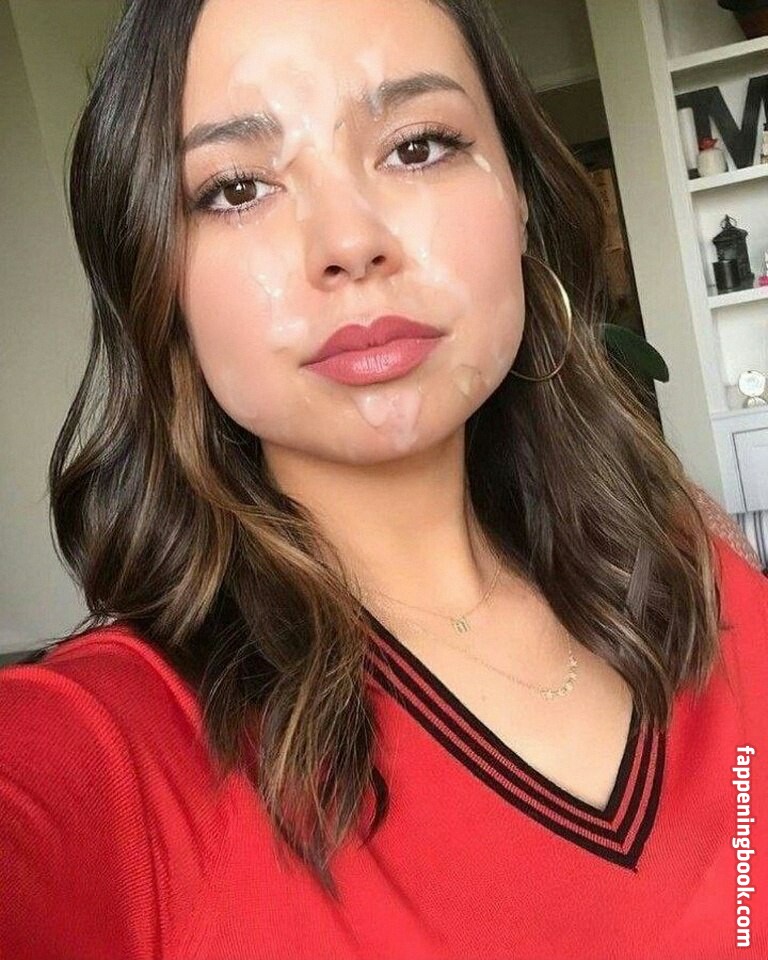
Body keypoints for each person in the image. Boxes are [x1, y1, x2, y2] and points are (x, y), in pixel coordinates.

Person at [1, 0, 766, 957]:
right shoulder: (109, 750)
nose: (349, 241)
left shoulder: (696, 575)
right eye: (235, 188)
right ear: (156, 278)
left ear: (520, 196)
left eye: (417, 147)